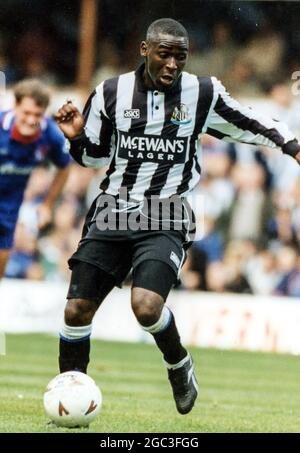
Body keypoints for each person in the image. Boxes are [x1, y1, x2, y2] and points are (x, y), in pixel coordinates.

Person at [55, 18, 300, 415]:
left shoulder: (202, 93)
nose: (172, 64)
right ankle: (68, 402)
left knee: (147, 305)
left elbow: (251, 122)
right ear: (144, 50)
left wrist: (292, 146)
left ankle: (178, 364)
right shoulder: (110, 92)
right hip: (114, 208)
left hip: (167, 210)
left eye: (180, 57)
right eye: (164, 54)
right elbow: (93, 157)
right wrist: (76, 136)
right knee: (76, 310)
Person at [0, 79, 71, 278]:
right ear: (15, 107)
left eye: (37, 115)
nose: (31, 120)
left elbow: (64, 168)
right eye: (26, 113)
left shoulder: (50, 135)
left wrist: (48, 205)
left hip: (9, 208)